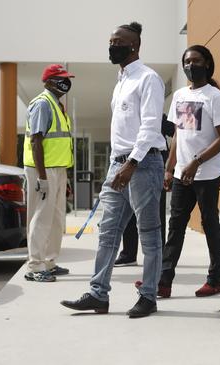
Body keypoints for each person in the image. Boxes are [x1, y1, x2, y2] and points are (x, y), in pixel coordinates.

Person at [60, 21, 166, 318]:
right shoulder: (121, 80)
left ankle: (148, 297)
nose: (112, 46)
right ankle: (98, 294)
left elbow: (149, 126)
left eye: (118, 41)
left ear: (135, 46)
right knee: (107, 232)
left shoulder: (148, 78)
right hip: (117, 165)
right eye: (110, 41)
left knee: (149, 234)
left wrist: (131, 164)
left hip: (142, 165)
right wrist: (117, 165)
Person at [136, 44, 220, 298]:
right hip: (181, 174)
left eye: (196, 61)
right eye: (187, 61)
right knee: (175, 226)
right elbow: (179, 134)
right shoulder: (180, 95)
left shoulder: (215, 97)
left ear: (208, 64)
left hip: (207, 175)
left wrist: (196, 162)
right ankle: (164, 282)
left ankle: (214, 280)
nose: (191, 65)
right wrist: (170, 168)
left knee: (209, 224)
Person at [23, 64, 74, 282]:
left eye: (66, 78)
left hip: (57, 169)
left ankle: (50, 261)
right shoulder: (43, 104)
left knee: (56, 218)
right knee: (41, 217)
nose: (64, 82)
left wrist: (65, 178)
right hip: (42, 170)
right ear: (48, 82)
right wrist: (43, 178)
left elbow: (59, 144)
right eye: (59, 78)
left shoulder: (57, 105)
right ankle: (35, 266)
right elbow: (36, 141)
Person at [114, 114, 174, 267]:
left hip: (153, 167)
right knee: (129, 211)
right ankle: (128, 254)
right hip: (130, 166)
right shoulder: (130, 115)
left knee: (155, 215)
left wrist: (170, 166)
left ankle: (158, 257)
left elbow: (177, 134)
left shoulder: (156, 116)